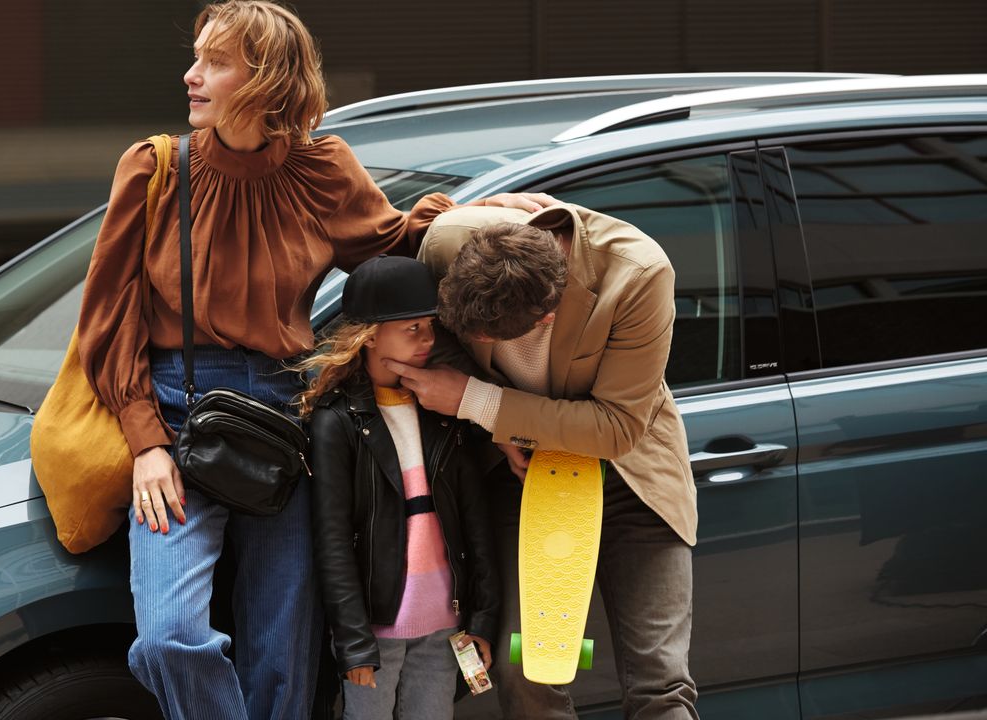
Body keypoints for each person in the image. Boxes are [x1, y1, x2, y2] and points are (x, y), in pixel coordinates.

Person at [75, 3, 554, 718]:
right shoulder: (156, 169)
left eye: (215, 61)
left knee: (286, 645)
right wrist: (145, 442)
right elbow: (106, 320)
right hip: (178, 415)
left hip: (283, 417)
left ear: (265, 78)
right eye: (197, 56)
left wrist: (480, 216)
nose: (191, 74)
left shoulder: (321, 168)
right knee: (171, 639)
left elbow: (395, 247)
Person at [391, 206, 700, 719]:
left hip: (630, 476)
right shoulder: (451, 243)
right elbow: (440, 344)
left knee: (659, 680)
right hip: (523, 478)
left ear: (549, 317)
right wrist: (501, 436)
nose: (482, 345)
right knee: (525, 670)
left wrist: (481, 404)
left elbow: (617, 427)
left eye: (495, 339)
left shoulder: (639, 274)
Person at [297, 255, 499, 720]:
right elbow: (332, 540)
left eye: (431, 326)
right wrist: (352, 641)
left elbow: (475, 522)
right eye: (412, 329)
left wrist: (482, 618)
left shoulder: (443, 409)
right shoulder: (337, 422)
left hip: (446, 626)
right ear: (369, 336)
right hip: (375, 630)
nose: (428, 340)